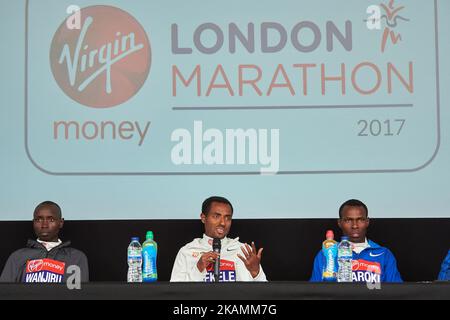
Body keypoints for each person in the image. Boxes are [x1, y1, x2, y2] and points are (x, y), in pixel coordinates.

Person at [170, 196, 267, 282]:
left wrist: (255, 273)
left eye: (227, 218)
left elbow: (265, 294)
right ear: (203, 218)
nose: (223, 223)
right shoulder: (187, 251)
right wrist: (198, 269)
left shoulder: (244, 251)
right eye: (216, 216)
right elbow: (175, 294)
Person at [310, 199, 402, 283]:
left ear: (367, 222)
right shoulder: (327, 253)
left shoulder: (384, 254)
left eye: (360, 220)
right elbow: (314, 292)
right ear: (339, 223)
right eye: (348, 220)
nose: (355, 226)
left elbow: (396, 293)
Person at [0, 201, 89, 283]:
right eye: (39, 219)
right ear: (33, 222)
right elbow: (5, 292)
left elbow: (79, 294)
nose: (44, 225)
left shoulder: (76, 257)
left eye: (51, 220)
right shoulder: (18, 256)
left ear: (61, 222)